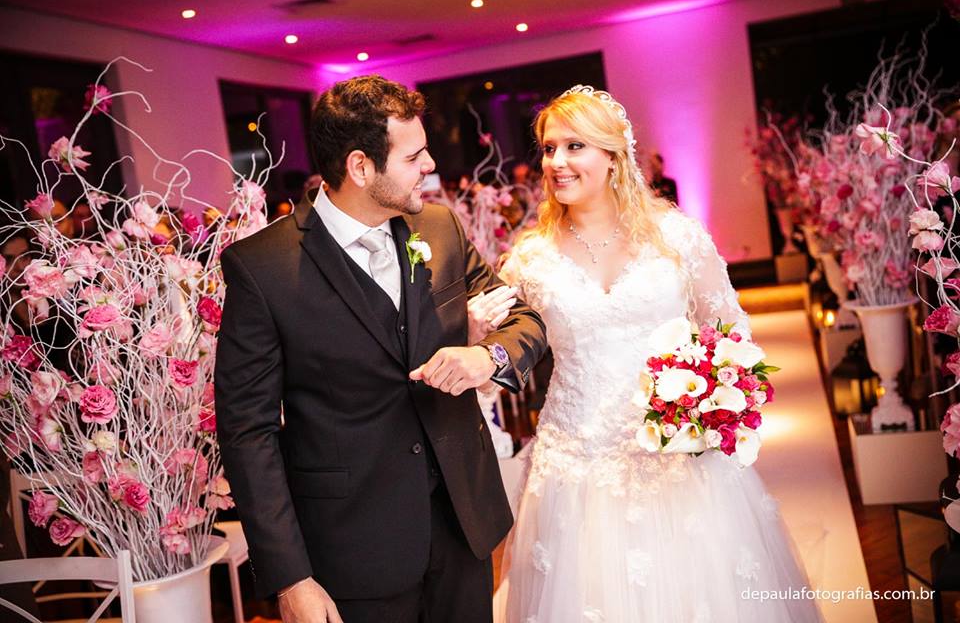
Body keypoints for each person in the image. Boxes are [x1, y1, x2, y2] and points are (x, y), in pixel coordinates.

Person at [214, 75, 548, 623]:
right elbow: (248, 432)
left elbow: (523, 319)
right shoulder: (262, 268)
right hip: (352, 551)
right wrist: (290, 576)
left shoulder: (438, 227)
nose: (430, 166)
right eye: (413, 156)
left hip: (463, 527)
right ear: (360, 167)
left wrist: (486, 357)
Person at [482, 86, 821, 622]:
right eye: (548, 149)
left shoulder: (676, 237)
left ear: (613, 155)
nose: (556, 162)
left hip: (680, 458)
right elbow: (497, 352)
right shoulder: (530, 260)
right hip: (577, 464)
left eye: (574, 146)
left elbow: (731, 332)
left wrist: (710, 400)